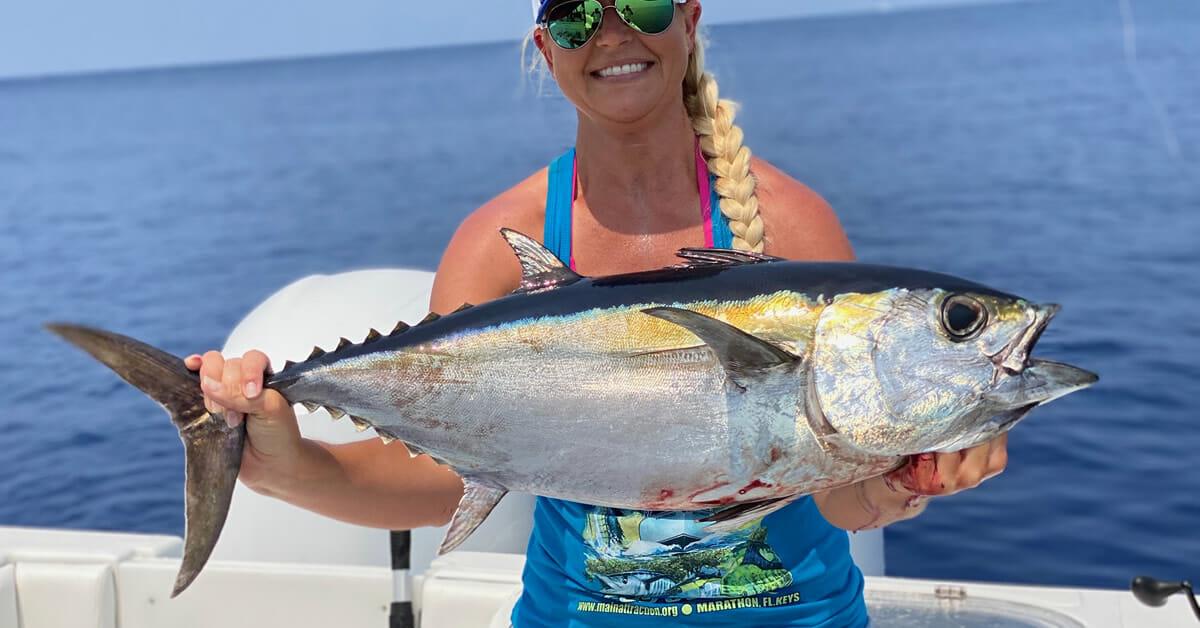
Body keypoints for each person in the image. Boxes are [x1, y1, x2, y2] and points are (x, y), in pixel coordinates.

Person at [189, 1, 1009, 625]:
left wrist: (903, 487)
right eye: (577, 13)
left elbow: (841, 499)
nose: (613, 32)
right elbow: (445, 479)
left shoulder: (790, 226)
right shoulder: (498, 246)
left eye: (644, 2)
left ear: (689, 18)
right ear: (548, 48)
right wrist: (284, 466)